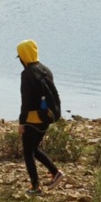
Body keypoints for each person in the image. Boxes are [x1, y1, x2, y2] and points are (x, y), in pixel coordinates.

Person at [16, 39, 64, 192]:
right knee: (34, 149)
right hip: (47, 117)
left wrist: (22, 122)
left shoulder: (27, 74)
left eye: (20, 56)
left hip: (32, 119)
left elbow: (27, 101)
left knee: (28, 152)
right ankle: (56, 173)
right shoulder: (46, 69)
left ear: (24, 56)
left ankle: (35, 185)